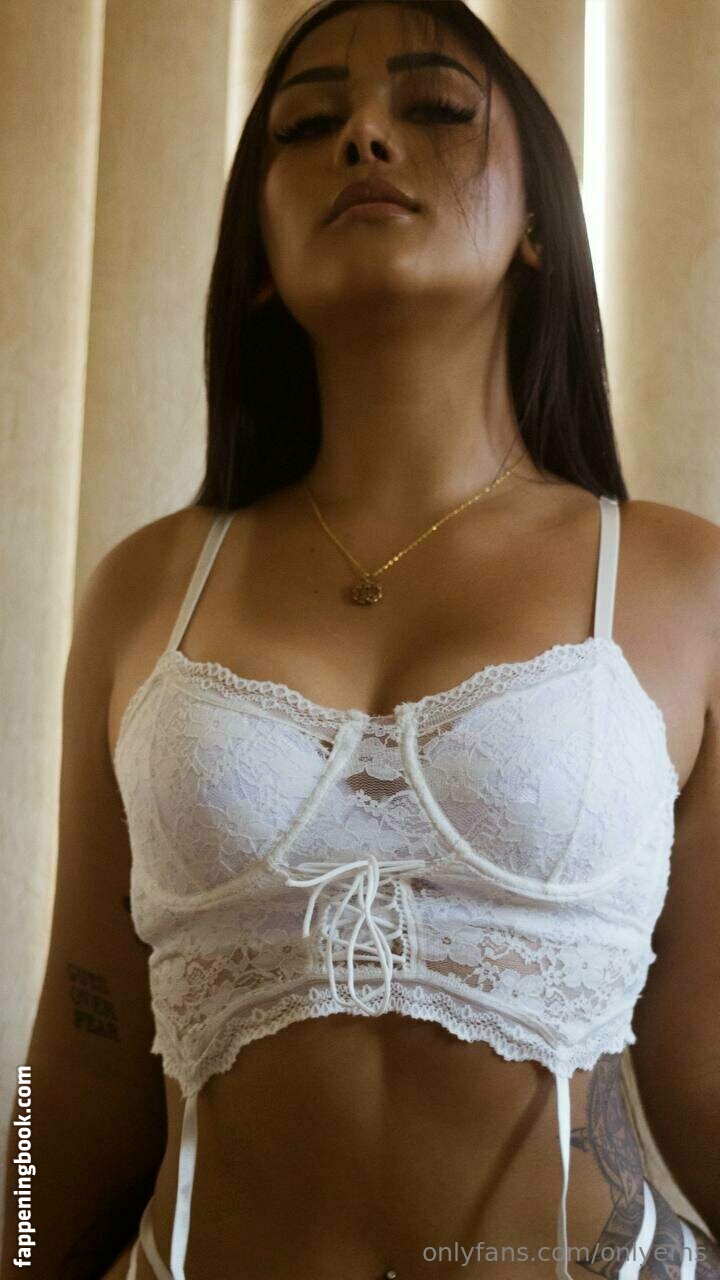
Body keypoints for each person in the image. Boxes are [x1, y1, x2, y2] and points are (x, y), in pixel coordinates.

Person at [2, 2, 718, 1278]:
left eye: (433, 107)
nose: (366, 137)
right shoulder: (146, 590)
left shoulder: (684, 581)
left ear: (540, 224)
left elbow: (708, 1067)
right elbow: (71, 1064)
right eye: (307, 125)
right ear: (258, 254)